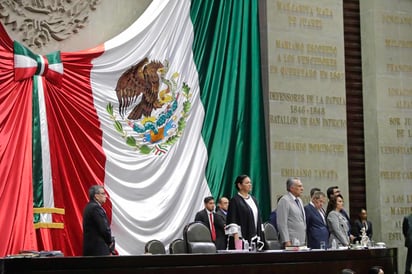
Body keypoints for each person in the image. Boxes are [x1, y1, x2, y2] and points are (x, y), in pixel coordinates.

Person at [226, 174, 263, 249]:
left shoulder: (254, 200)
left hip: (255, 237)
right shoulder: (235, 200)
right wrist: (237, 242)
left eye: (250, 183)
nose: (250, 185)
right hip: (241, 238)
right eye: (247, 183)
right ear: (239, 185)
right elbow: (232, 221)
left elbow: (259, 218)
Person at [82, 185, 115, 256]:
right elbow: (104, 229)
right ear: (96, 196)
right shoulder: (96, 208)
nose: (106, 196)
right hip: (99, 250)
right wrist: (110, 242)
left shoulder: (88, 207)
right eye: (103, 194)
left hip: (91, 249)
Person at [276, 177, 306, 247]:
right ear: (292, 188)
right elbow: (282, 223)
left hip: (301, 240)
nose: (302, 188)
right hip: (291, 241)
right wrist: (286, 240)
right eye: (299, 186)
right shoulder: (284, 200)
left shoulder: (299, 201)